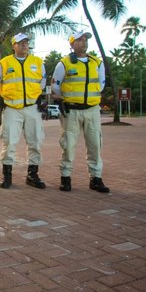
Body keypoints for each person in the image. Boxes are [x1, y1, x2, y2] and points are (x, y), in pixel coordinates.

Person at [52, 31, 110, 193]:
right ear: (71, 44)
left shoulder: (96, 63)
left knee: (95, 145)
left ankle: (96, 178)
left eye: (85, 40)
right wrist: (66, 98)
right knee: (68, 145)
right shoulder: (64, 64)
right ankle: (65, 177)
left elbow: (101, 84)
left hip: (92, 110)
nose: (83, 42)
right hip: (71, 111)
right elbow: (56, 86)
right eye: (79, 40)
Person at [0, 33, 47, 190]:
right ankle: (7, 176)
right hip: (11, 108)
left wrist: (33, 96)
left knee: (35, 141)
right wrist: (5, 97)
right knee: (9, 142)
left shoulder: (37, 62)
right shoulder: (4, 63)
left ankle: (32, 175)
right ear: (13, 46)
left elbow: (42, 82)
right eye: (20, 42)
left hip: (31, 108)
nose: (24, 45)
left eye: (26, 42)